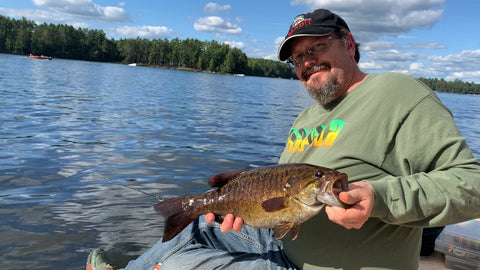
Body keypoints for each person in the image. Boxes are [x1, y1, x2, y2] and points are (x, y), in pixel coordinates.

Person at [87, 8, 480, 270]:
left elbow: (472, 184)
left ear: (350, 44)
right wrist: (237, 205)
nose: (306, 62)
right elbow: (271, 190)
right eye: (298, 58)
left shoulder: (398, 92)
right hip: (282, 241)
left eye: (317, 47)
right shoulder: (308, 116)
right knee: (197, 226)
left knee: (175, 265)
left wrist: (380, 198)